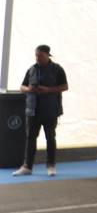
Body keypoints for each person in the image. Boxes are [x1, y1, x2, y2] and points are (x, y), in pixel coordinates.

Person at [12, 45, 68, 177]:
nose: (38, 58)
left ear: (48, 55)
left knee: (50, 138)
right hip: (32, 110)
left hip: (50, 110)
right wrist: (30, 89)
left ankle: (51, 165)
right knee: (30, 138)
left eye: (40, 55)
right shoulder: (32, 69)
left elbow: (65, 86)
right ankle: (27, 166)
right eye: (36, 55)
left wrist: (47, 90)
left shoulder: (57, 69)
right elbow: (22, 87)